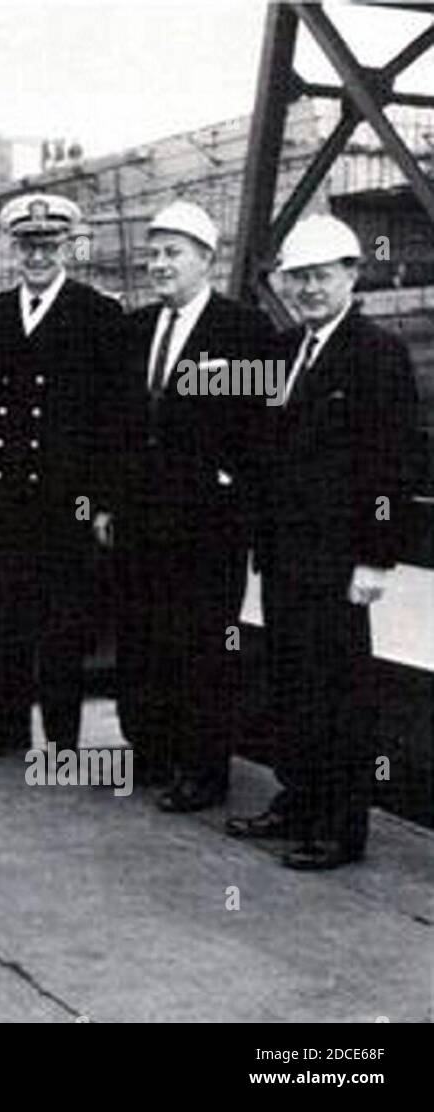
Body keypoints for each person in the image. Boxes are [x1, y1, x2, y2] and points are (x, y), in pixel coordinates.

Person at [227, 214, 422, 870]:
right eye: (297, 277)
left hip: (340, 560)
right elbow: (259, 448)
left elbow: (392, 464)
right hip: (285, 556)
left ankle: (342, 826)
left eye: (319, 276)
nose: (307, 289)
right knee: (291, 680)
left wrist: (376, 556)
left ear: (350, 275)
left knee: (340, 692)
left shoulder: (377, 355)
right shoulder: (283, 352)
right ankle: (299, 798)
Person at [115, 200, 276, 811]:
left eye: (173, 254)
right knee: (144, 637)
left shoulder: (243, 332)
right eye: (154, 254)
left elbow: (262, 426)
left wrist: (232, 488)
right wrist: (106, 503)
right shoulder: (133, 331)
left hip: (209, 524)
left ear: (206, 260)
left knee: (205, 645)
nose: (160, 265)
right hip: (139, 520)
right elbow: (118, 427)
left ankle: (204, 771)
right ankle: (151, 753)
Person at [0, 193, 123, 759]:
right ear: (14, 251)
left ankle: (61, 739)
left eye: (48, 246)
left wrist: (102, 502)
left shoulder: (97, 314)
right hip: (4, 496)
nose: (37, 257)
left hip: (64, 501)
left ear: (67, 249)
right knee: (6, 616)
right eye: (28, 246)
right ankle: (7, 728)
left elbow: (113, 419)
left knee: (62, 622)